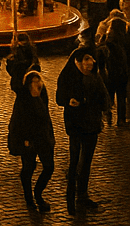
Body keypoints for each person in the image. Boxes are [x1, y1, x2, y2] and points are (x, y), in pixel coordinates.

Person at [55, 46, 110, 214]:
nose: (90, 64)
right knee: (75, 160)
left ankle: (82, 194)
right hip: (76, 125)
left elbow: (103, 96)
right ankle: (71, 195)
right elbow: (59, 98)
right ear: (77, 62)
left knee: (86, 161)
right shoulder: (68, 76)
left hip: (92, 124)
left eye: (91, 60)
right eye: (86, 60)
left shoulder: (95, 77)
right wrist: (69, 100)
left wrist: (105, 108)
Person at [8, 69, 55, 212]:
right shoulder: (23, 99)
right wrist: (24, 140)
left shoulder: (42, 97)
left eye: (39, 81)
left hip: (42, 138)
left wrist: (50, 137)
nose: (38, 84)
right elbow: (16, 122)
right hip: (29, 141)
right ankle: (29, 198)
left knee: (49, 167)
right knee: (28, 169)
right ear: (28, 85)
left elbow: (46, 118)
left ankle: (38, 193)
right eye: (34, 82)